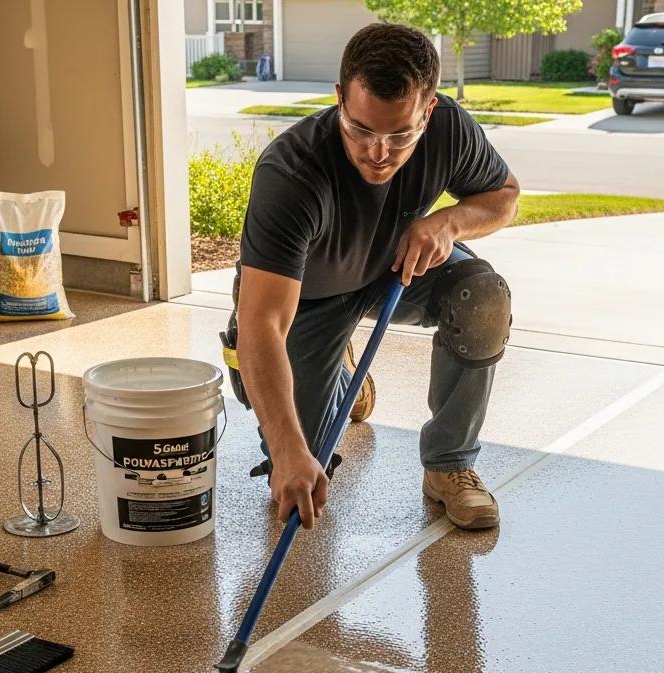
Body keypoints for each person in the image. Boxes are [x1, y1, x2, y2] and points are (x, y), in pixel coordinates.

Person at [222, 22, 519, 531]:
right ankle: (339, 370)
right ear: (340, 98)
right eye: (360, 129)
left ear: (428, 111)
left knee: (483, 296)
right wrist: (290, 451)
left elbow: (504, 196)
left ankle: (450, 465)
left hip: (396, 269)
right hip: (306, 299)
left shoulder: (449, 129)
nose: (378, 153)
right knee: (297, 468)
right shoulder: (291, 174)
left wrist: (446, 222)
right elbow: (263, 325)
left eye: (401, 134)